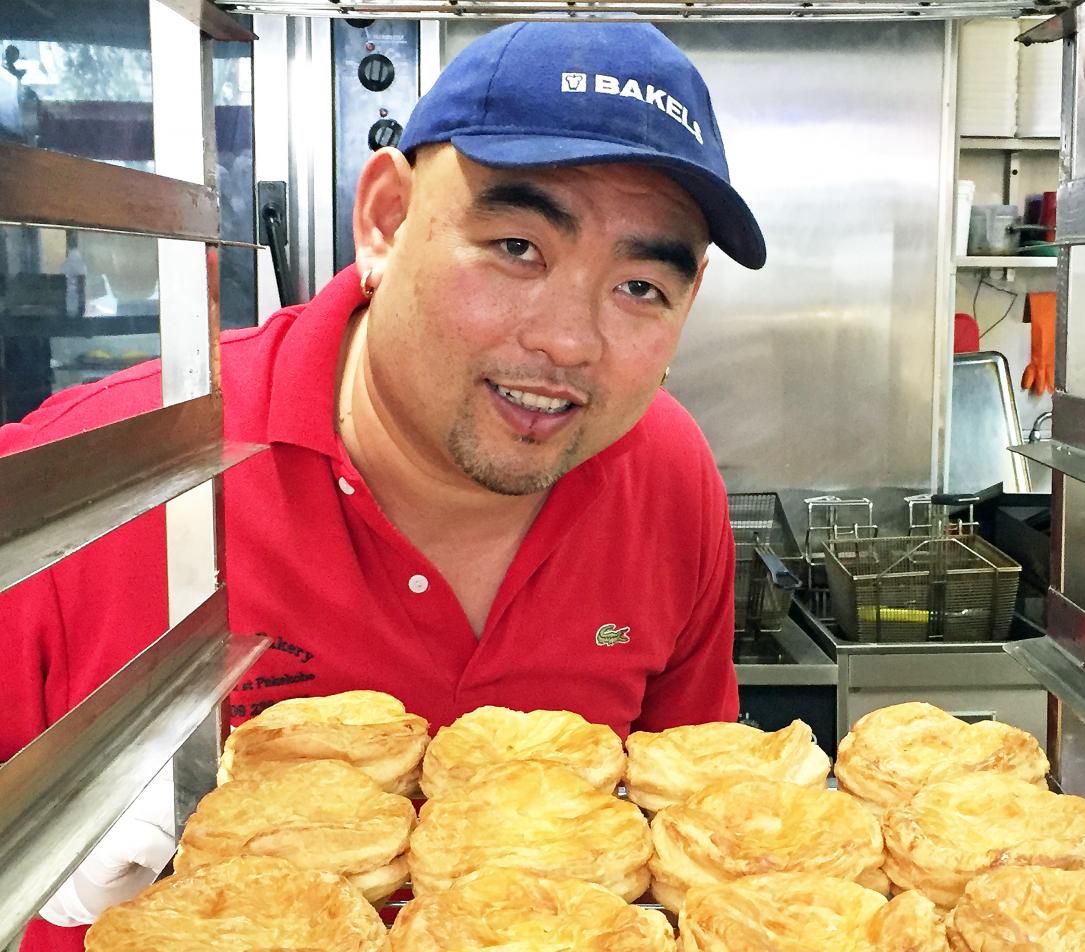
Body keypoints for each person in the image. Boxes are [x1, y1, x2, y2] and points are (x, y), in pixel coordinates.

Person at [0, 20, 765, 951]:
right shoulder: (103, 477)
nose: (569, 341)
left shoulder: (668, 479)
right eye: (517, 245)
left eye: (641, 286)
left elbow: (712, 831)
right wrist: (39, 851)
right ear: (387, 220)